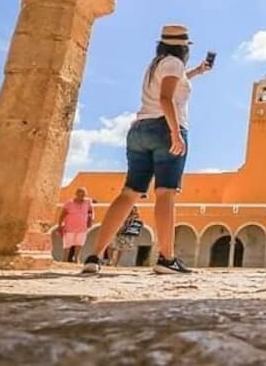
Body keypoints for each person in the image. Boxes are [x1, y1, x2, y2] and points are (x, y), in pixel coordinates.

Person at [82, 24, 212, 274]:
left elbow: (171, 87)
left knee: (129, 193)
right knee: (165, 193)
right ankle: (166, 258)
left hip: (140, 130)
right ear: (182, 46)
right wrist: (175, 133)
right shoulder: (174, 64)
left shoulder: (157, 64)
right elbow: (166, 98)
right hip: (165, 128)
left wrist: (197, 72)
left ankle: (94, 257)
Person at [57, 187, 93, 263]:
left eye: (83, 193)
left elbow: (91, 211)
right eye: (80, 193)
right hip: (69, 227)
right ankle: (65, 260)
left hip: (82, 227)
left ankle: (76, 259)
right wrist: (59, 225)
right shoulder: (69, 203)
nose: (82, 195)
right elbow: (62, 214)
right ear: (76, 194)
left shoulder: (88, 202)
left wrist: (91, 219)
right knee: (67, 244)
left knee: (79, 243)